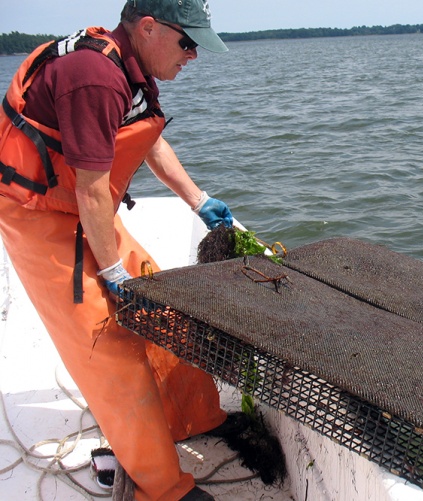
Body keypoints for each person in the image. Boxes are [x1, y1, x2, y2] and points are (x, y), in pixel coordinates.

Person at [0, 1, 247, 499]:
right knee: (109, 346)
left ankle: (194, 417)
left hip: (84, 207)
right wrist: (113, 275)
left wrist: (199, 201)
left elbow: (146, 141)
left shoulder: (130, 69)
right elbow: (93, 188)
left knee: (166, 312)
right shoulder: (93, 77)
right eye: (188, 42)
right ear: (150, 28)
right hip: (39, 215)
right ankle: (162, 485)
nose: (194, 55)